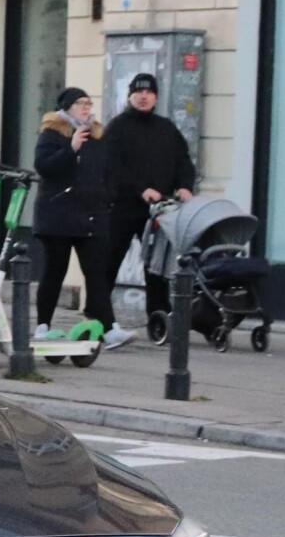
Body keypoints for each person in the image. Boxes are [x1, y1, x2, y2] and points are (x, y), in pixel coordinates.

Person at [101, 72, 196, 341]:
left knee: (157, 267)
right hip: (122, 208)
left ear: (155, 97)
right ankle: (100, 316)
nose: (143, 97)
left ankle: (158, 318)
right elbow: (114, 167)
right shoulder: (118, 127)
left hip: (159, 210)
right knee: (109, 262)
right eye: (138, 92)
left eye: (149, 92)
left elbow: (183, 161)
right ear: (130, 95)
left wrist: (185, 185)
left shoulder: (166, 128)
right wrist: (141, 189)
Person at [31, 87, 115, 338]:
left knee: (96, 273)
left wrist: (107, 199)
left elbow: (108, 170)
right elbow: (44, 167)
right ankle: (43, 325)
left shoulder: (97, 135)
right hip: (58, 214)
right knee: (55, 271)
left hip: (90, 214)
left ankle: (109, 329)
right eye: (80, 103)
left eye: (89, 103)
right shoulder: (52, 133)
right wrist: (71, 148)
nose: (86, 108)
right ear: (67, 107)